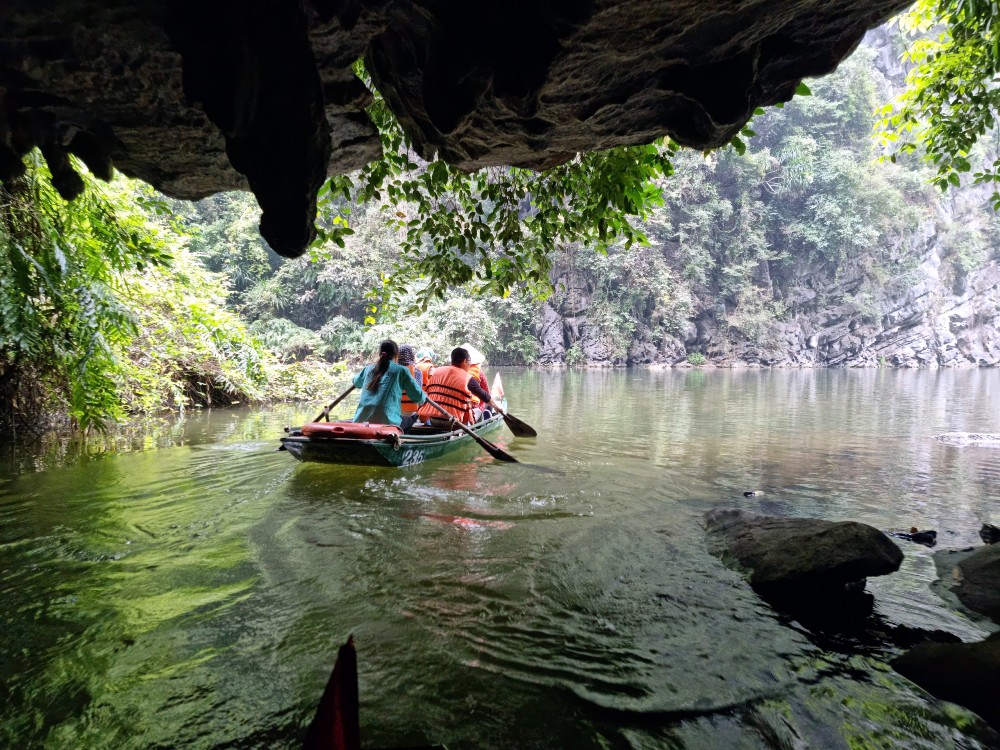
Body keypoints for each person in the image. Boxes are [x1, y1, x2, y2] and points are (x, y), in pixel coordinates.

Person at [351, 340, 426, 427]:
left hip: (360, 421)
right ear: (397, 354)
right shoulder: (401, 371)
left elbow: (356, 382)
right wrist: (424, 396)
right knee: (411, 418)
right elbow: (418, 397)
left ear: (380, 353)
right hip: (387, 423)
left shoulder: (368, 369)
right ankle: (399, 438)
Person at [416, 347, 485, 427]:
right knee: (478, 411)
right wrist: (495, 406)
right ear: (465, 361)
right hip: (453, 423)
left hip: (433, 420)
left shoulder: (438, 371)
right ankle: (473, 431)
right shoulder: (470, 376)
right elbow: (485, 395)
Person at [460, 342, 493, 421]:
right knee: (489, 404)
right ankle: (484, 417)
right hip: (473, 405)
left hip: (457, 405)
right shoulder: (478, 373)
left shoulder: (453, 372)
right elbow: (486, 392)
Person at [397, 344, 422, 431]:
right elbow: (419, 396)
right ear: (412, 356)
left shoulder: (392, 371)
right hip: (410, 414)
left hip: (393, 412)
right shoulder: (417, 372)